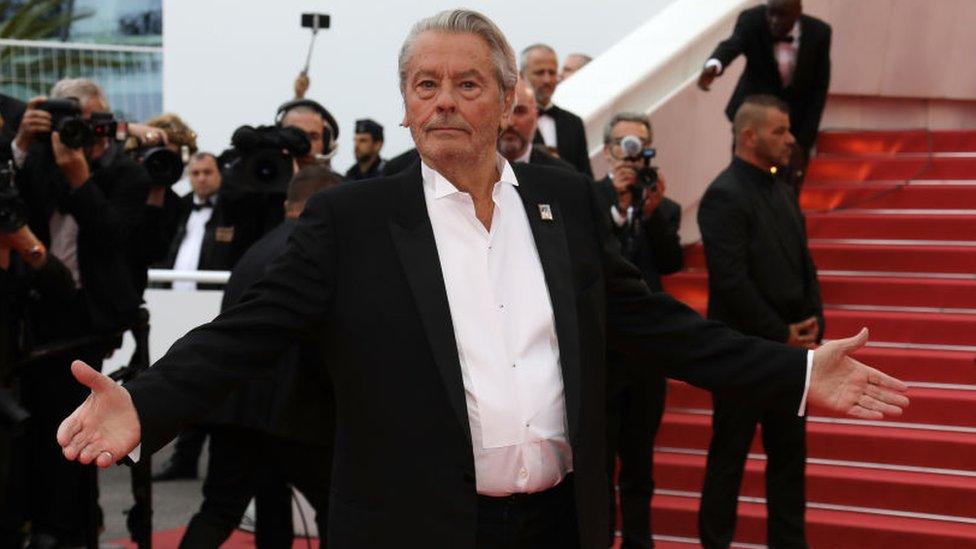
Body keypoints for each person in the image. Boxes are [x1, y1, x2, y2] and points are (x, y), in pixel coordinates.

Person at [56, 10, 908, 549]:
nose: (444, 102)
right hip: (411, 526)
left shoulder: (565, 203)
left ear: (508, 102)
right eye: (425, 85)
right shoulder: (355, 221)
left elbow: (659, 326)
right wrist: (146, 400)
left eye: (468, 84)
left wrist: (794, 372)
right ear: (404, 104)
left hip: (555, 522)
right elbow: (247, 332)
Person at [8, 77, 150, 548]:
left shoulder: (126, 171)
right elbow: (15, 208)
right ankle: (44, 521)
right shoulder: (43, 157)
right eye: (72, 122)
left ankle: (68, 527)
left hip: (92, 314)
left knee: (74, 421)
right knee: (35, 422)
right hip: (38, 307)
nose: (82, 134)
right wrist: (25, 143)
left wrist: (79, 177)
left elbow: (111, 233)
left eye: (92, 124)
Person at [179, 165, 339, 549]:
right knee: (335, 508)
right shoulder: (322, 249)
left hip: (236, 407)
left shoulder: (256, 249)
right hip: (297, 411)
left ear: (288, 205)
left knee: (222, 510)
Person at [697, 95, 823, 549]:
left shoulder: (783, 188)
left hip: (789, 358)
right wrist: (781, 332)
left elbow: (805, 264)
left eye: (789, 130)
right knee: (728, 459)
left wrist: (813, 322)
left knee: (790, 462)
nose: (790, 139)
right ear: (749, 136)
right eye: (779, 131)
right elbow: (731, 281)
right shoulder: (722, 195)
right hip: (740, 356)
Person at [596, 112, 682, 548]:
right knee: (598, 469)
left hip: (647, 360)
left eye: (639, 145)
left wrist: (649, 215)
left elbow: (670, 263)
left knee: (640, 466)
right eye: (622, 144)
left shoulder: (663, 206)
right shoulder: (588, 201)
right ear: (607, 149)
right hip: (602, 357)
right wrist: (615, 208)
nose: (630, 153)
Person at [697, 0, 831, 185]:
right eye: (771, 14)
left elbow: (818, 90)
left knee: (787, 193)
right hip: (753, 123)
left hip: (794, 128)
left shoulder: (819, 33)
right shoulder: (752, 19)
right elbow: (733, 44)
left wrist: (803, 142)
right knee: (745, 184)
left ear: (797, 12)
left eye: (781, 15)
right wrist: (715, 64)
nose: (774, 21)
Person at [520, 43, 594, 177]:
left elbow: (585, 174)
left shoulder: (574, 123)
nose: (547, 79)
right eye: (540, 72)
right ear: (522, 75)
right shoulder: (510, 120)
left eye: (552, 72)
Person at [497, 78, 576, 172]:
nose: (510, 122)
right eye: (503, 111)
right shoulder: (475, 172)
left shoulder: (562, 175)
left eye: (520, 111)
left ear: (536, 116)